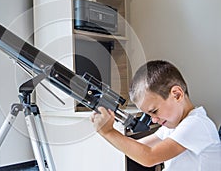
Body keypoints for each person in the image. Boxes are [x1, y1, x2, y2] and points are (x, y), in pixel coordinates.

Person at [90, 60, 221, 170]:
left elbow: (149, 157)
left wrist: (108, 132)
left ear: (177, 95)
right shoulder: (173, 128)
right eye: (148, 114)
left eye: (154, 111)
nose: (153, 119)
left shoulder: (197, 124)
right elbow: (140, 146)